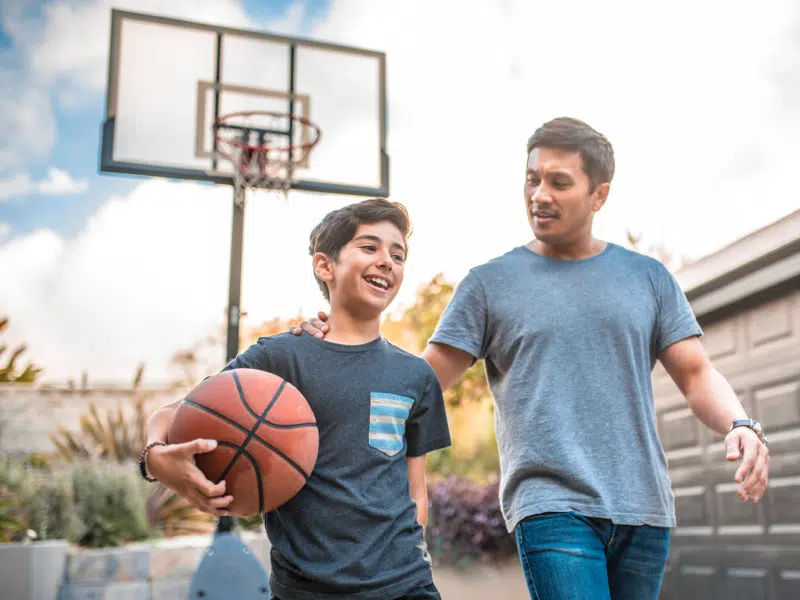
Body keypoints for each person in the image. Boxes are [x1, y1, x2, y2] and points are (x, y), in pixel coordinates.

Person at [291, 117, 770, 600]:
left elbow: (696, 374)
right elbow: (418, 380)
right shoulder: (489, 284)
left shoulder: (648, 278)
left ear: (598, 194)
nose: (539, 194)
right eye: (532, 178)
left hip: (644, 509)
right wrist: (339, 344)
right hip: (550, 507)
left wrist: (740, 423)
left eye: (559, 183)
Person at [140, 198, 451, 600]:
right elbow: (177, 414)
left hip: (406, 586)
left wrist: (410, 557)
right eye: (369, 247)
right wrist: (154, 457)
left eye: (398, 254)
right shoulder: (280, 356)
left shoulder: (416, 375)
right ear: (325, 266)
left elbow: (415, 488)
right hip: (306, 588)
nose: (387, 261)